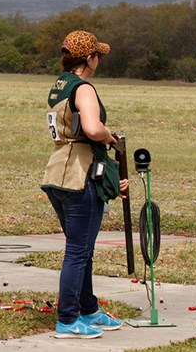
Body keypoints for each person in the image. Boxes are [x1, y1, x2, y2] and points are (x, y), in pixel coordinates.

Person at [41, 30, 129, 339]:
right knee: (78, 251)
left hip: (58, 171)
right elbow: (92, 129)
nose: (100, 61)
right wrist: (109, 136)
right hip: (79, 173)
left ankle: (88, 308)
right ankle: (67, 319)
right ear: (88, 59)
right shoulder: (84, 88)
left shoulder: (59, 85)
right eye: (98, 56)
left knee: (83, 249)